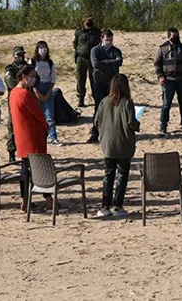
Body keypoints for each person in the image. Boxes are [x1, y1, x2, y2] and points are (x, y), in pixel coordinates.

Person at [94, 74, 140, 218]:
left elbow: (96, 121)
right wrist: (138, 125)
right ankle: (118, 206)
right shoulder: (127, 103)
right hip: (124, 143)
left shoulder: (104, 102)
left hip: (108, 144)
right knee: (122, 174)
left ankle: (105, 206)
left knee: (108, 174)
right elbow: (132, 123)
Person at [9, 65, 53, 212]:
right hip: (32, 136)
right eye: (32, 75)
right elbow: (39, 114)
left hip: (21, 135)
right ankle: (48, 200)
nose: (34, 79)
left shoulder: (13, 93)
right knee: (39, 168)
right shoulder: (25, 94)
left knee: (25, 169)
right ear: (24, 77)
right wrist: (46, 127)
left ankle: (25, 200)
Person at [154, 27, 182, 135]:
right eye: (173, 36)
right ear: (169, 36)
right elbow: (157, 64)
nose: (176, 37)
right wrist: (160, 76)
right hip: (168, 80)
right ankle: (163, 125)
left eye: (177, 35)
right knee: (166, 104)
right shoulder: (162, 48)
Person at [88, 30, 124, 143]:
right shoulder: (95, 50)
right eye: (107, 40)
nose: (109, 42)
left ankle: (113, 132)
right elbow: (95, 64)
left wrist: (104, 63)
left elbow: (119, 62)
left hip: (113, 83)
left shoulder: (116, 50)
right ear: (101, 38)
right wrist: (111, 63)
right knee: (99, 107)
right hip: (99, 82)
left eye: (111, 40)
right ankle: (95, 133)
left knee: (114, 107)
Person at [31, 41, 60, 146]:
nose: (43, 49)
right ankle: (38, 137)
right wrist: (36, 91)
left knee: (49, 115)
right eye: (41, 47)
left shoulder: (50, 62)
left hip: (47, 87)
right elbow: (30, 77)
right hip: (36, 87)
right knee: (36, 114)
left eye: (45, 47)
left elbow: (53, 79)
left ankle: (53, 137)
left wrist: (48, 92)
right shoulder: (33, 62)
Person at [3, 46, 29, 162]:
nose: (21, 57)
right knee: (13, 126)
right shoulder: (10, 68)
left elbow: (36, 79)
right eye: (18, 55)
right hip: (15, 99)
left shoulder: (28, 67)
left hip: (29, 98)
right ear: (14, 56)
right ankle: (11, 152)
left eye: (22, 54)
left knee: (28, 125)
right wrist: (24, 85)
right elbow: (11, 83)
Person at [73, 16, 102, 107]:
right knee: (80, 79)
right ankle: (81, 98)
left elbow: (101, 44)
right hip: (81, 58)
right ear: (83, 22)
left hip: (93, 59)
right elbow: (75, 44)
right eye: (87, 21)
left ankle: (96, 98)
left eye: (90, 21)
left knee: (94, 79)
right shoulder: (78, 32)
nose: (89, 23)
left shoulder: (97, 32)